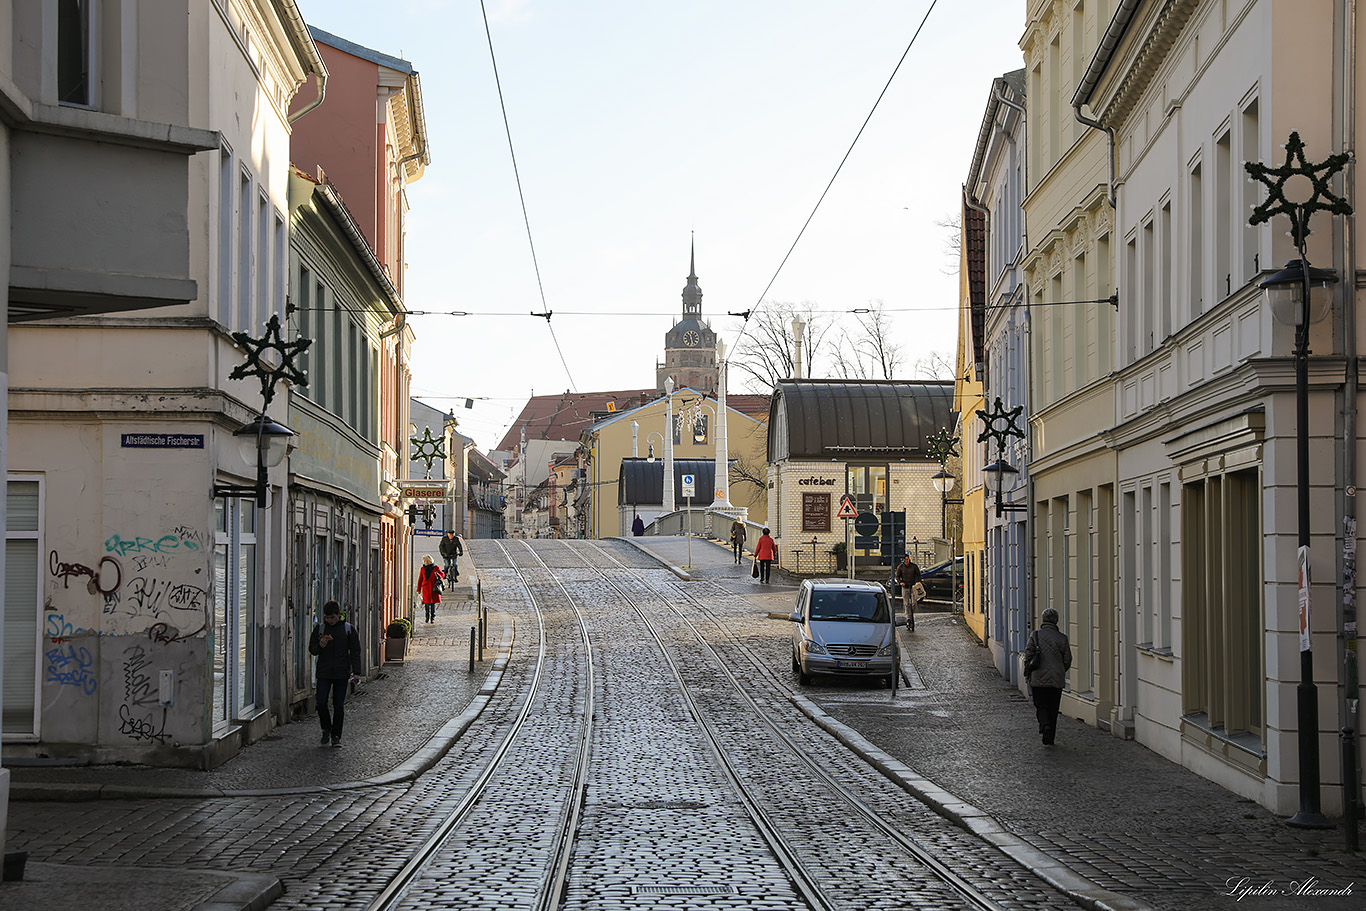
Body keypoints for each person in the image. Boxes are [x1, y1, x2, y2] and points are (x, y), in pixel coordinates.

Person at [309, 600, 363, 747]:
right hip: (324, 672)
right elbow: (312, 649)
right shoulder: (320, 629)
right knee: (321, 703)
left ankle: (336, 736)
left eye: (332, 617)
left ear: (339, 615)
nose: (330, 620)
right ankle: (326, 728)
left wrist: (356, 672)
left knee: (338, 705)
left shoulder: (348, 629)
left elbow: (355, 651)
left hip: (341, 672)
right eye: (327, 618)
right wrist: (320, 646)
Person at [1023, 607, 1073, 745]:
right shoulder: (1062, 638)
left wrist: (1027, 672)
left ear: (1043, 620)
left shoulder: (1036, 635)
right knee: (1053, 707)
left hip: (1039, 677)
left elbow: (1028, 654)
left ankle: (1044, 725)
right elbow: (1068, 659)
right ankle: (1050, 738)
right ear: (1056, 621)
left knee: (1040, 704)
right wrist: (1061, 670)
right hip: (1057, 678)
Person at [894, 553, 922, 632]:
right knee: (906, 604)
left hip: (913, 586)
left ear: (909, 559)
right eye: (905, 560)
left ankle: (912, 614)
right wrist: (901, 582)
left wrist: (917, 582)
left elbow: (919, 575)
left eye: (907, 559)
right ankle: (908, 618)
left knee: (913, 603)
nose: (906, 561)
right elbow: (897, 576)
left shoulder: (914, 566)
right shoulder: (901, 567)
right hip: (905, 587)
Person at [417, 554, 445, 623]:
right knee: (426, 603)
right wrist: (418, 590)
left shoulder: (436, 568)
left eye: (425, 561)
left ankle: (432, 618)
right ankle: (427, 617)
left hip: (433, 588)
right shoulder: (423, 569)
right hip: (426, 588)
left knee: (433, 604)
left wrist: (438, 575)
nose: (424, 563)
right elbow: (420, 579)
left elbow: (442, 575)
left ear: (428, 561)